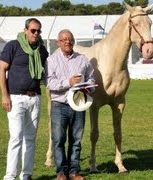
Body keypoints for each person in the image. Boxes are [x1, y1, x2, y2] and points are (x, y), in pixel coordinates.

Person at [0, 18, 49, 180]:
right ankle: (10, 176)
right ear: (25, 30)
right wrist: (4, 95)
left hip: (35, 98)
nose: (36, 33)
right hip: (15, 98)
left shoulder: (41, 50)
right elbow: (1, 70)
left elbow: (49, 71)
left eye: (38, 31)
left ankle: (26, 175)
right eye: (33, 30)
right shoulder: (13, 45)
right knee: (16, 138)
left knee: (30, 139)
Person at [45, 29, 95, 180]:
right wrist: (69, 82)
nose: (68, 41)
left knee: (76, 140)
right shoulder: (51, 60)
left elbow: (91, 78)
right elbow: (49, 83)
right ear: (58, 42)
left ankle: (74, 172)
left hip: (79, 104)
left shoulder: (83, 59)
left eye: (70, 39)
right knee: (59, 139)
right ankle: (61, 172)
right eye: (64, 39)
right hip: (59, 105)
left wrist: (90, 87)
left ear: (74, 41)